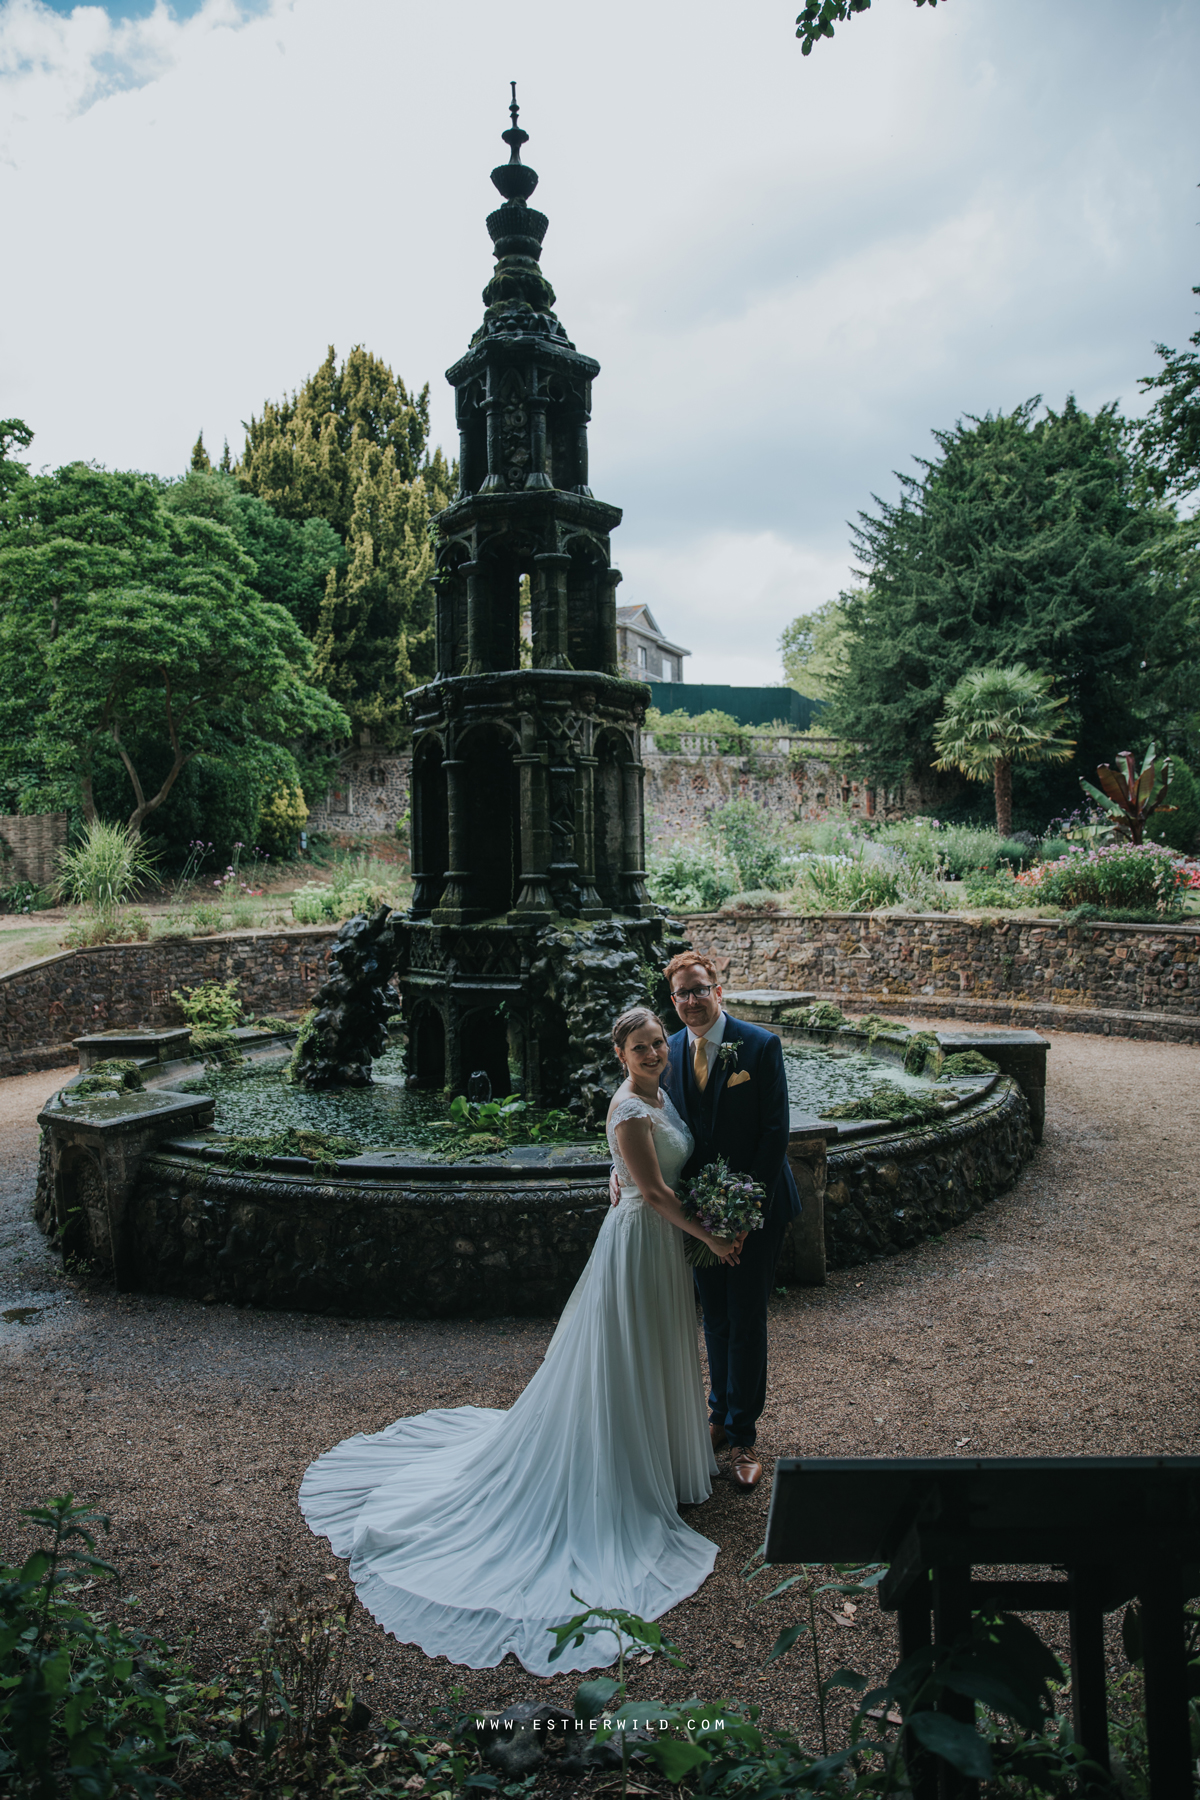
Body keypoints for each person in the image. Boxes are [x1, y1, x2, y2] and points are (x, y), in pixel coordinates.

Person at [297, 1006, 738, 1676]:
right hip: (644, 1242)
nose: (654, 1054)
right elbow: (648, 1187)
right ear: (620, 1052)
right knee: (628, 1353)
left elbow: (627, 1174)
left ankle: (659, 1458)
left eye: (658, 1045)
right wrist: (710, 1235)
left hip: (657, 1243)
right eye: (641, 1047)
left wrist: (641, 1191)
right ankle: (624, 1467)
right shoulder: (628, 1106)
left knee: (652, 1349)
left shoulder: (658, 1095)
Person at [661, 950, 802, 1493]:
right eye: (681, 994)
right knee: (714, 1318)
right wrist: (616, 1167)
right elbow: (648, 1117)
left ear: (718, 990)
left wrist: (744, 1217)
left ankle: (744, 1435)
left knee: (746, 1319)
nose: (691, 1001)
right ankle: (718, 1416)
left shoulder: (760, 1045)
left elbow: (774, 1135)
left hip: (757, 1210)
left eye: (699, 989)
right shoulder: (667, 1051)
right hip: (697, 1213)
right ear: (672, 1002)